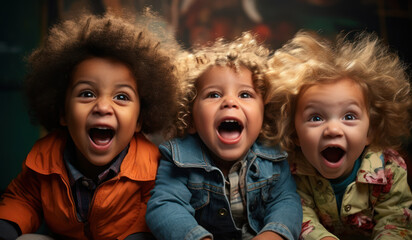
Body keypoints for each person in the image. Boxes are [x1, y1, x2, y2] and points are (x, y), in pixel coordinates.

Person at [0, 12, 179, 240]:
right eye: (87, 94)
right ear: (63, 112)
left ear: (140, 120)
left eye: (121, 97)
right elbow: (23, 199)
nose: (103, 107)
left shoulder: (152, 168)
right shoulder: (44, 158)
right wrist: (6, 227)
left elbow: (152, 215)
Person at [145, 32, 302, 240]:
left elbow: (287, 201)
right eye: (214, 94)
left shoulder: (273, 158)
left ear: (263, 117)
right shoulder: (177, 158)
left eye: (245, 94)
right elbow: (165, 206)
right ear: (190, 119)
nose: (230, 101)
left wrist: (274, 233)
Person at [267, 31, 412, 239]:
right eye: (316, 118)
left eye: (349, 116)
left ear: (369, 131)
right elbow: (300, 216)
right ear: (294, 133)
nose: (333, 130)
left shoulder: (389, 168)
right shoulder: (292, 172)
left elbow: (396, 222)